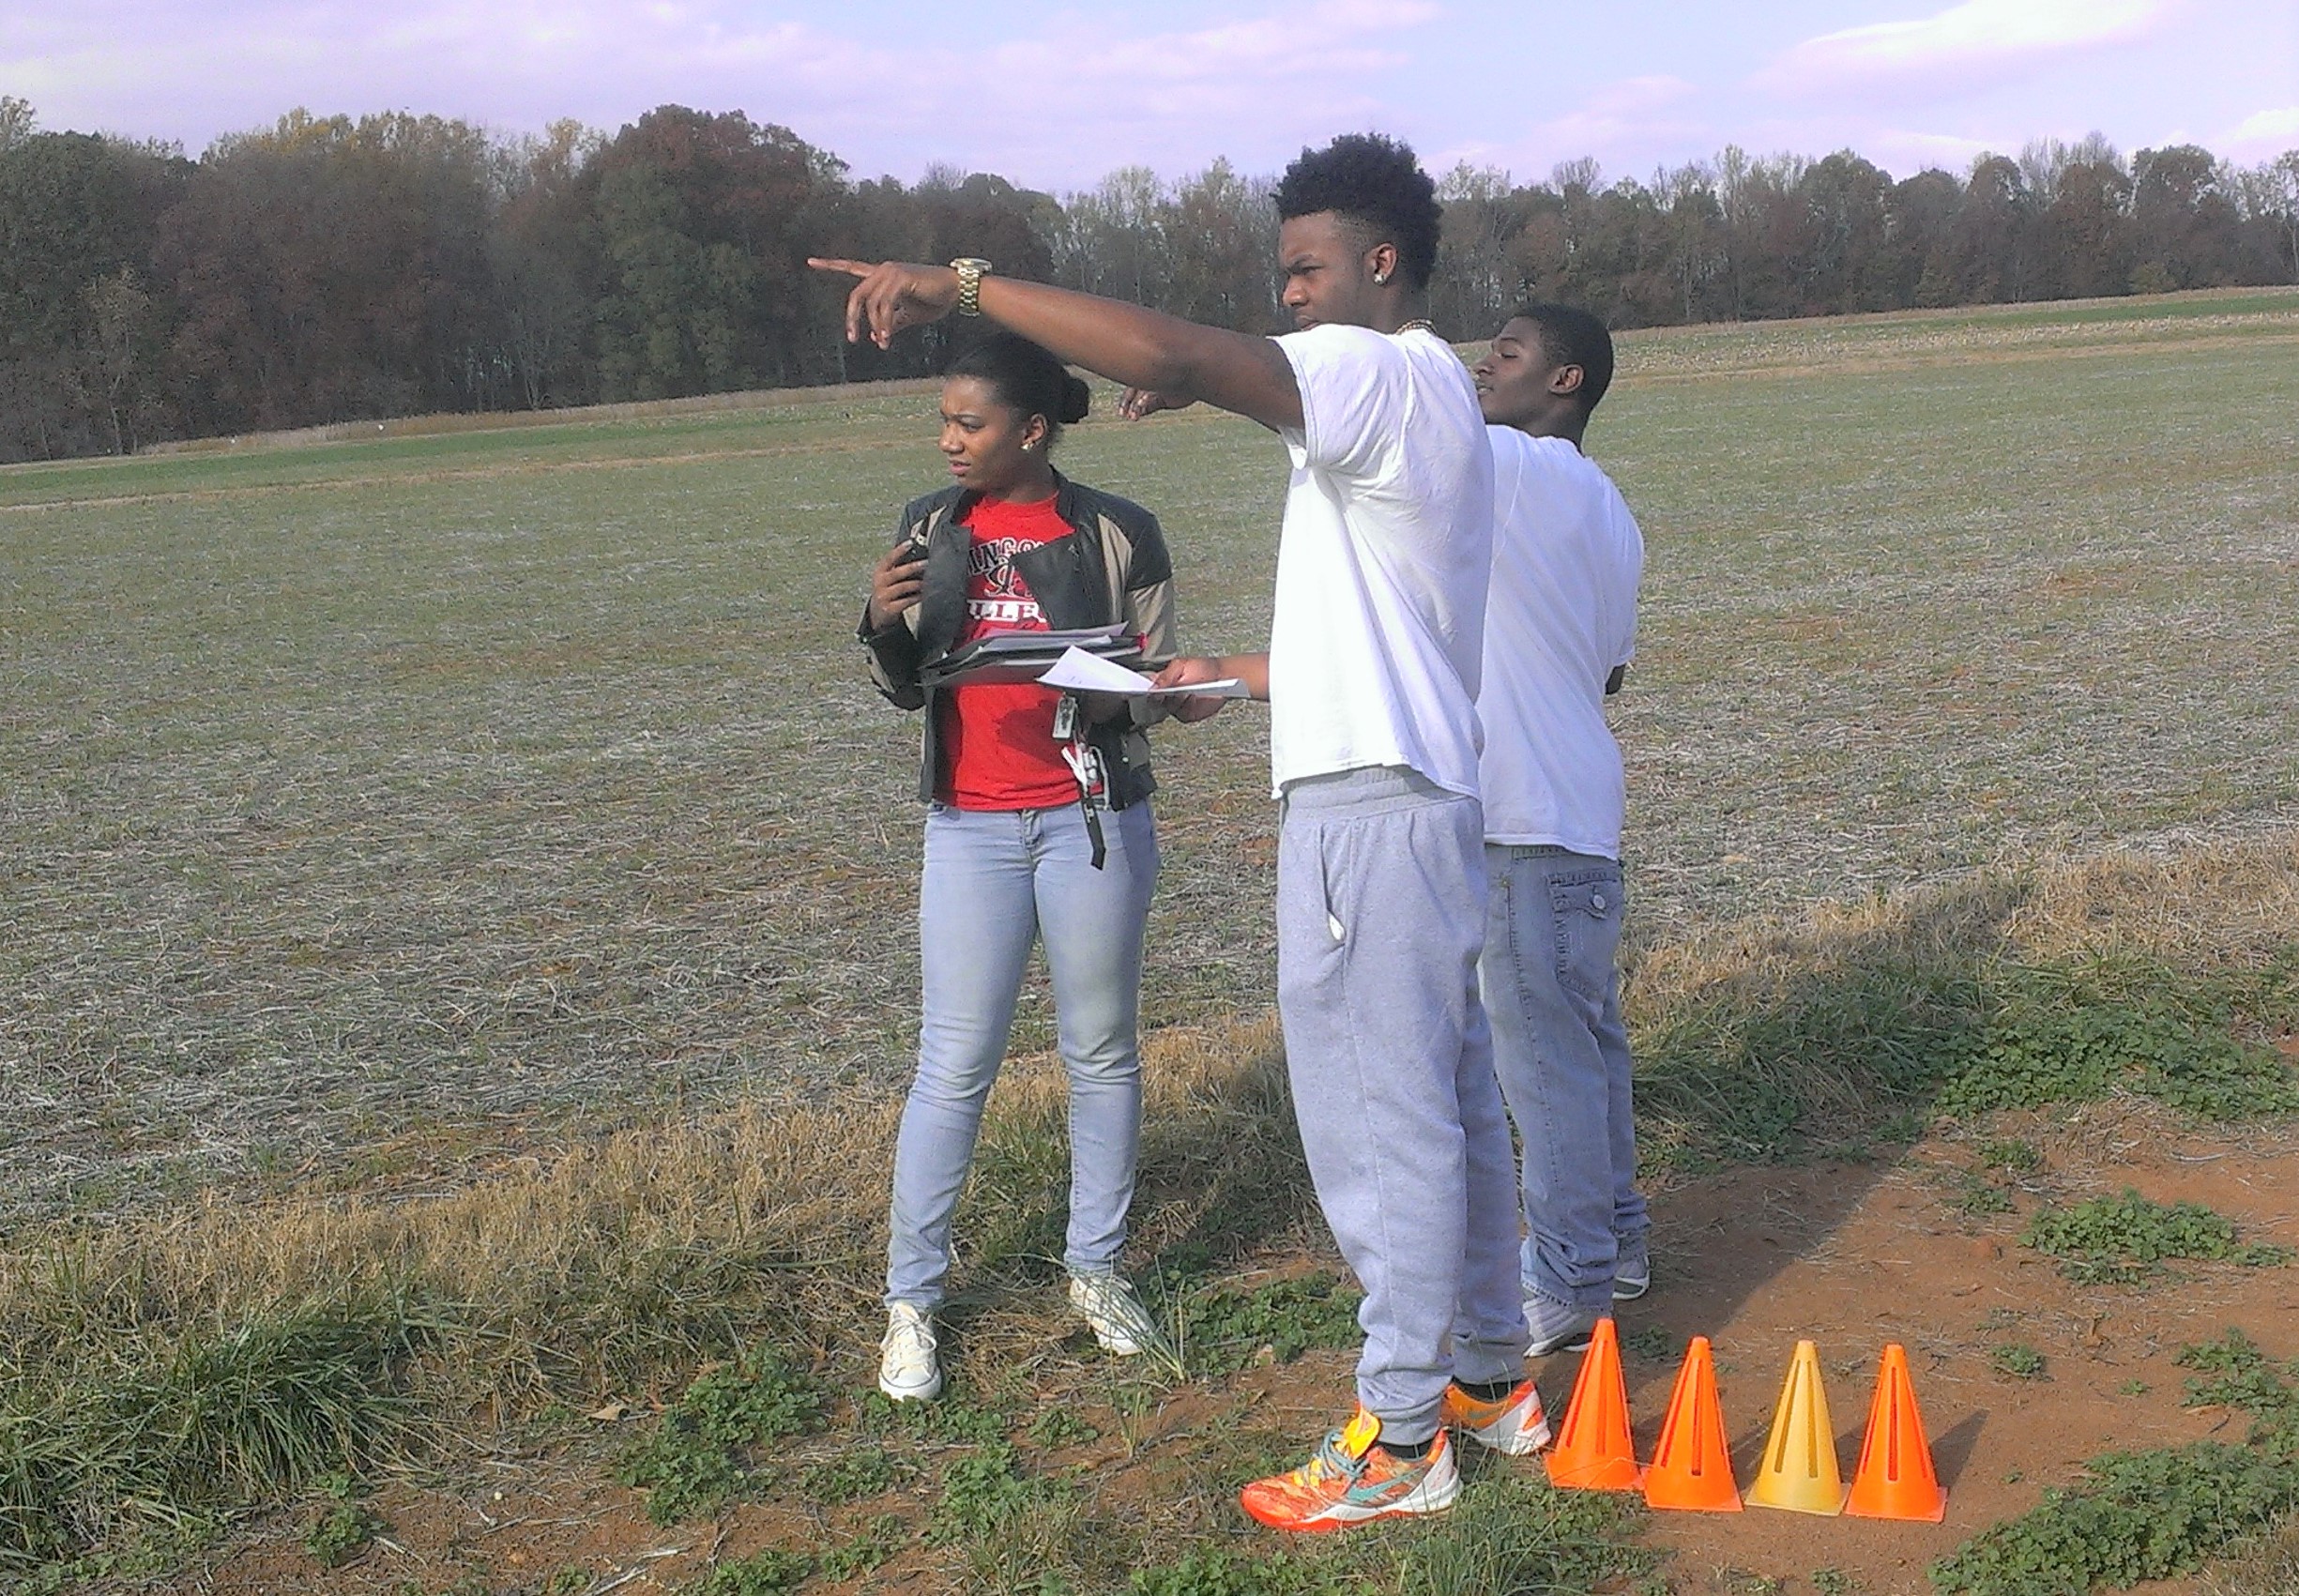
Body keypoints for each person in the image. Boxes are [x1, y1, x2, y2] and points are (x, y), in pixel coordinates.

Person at [816, 130, 1545, 1532]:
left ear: (1379, 265)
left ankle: (1400, 1438)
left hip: (1365, 816)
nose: (1289, 301)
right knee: (1447, 1095)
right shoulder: (1435, 389)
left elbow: (1193, 356)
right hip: (1420, 791)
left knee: (1374, 1115)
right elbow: (1394, 617)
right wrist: (1248, 676)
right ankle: (1485, 1380)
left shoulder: (1374, 366)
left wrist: (960, 281)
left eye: (1306, 270)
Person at [859, 331, 1180, 1403]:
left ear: (1031, 431)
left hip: (1092, 821)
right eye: (943, 423)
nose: (949, 440)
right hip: (969, 828)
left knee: (1100, 1051)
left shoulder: (1118, 531)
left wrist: (1127, 690)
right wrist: (876, 617)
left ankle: (1096, 1272)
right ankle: (913, 1303)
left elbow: (1154, 688)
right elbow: (905, 684)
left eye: (969, 424)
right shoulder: (926, 524)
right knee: (951, 1065)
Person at [1469, 305, 1651, 1356]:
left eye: (1506, 354)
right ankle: (1616, 1240)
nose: (1481, 366)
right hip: (1579, 806)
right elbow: (1611, 666)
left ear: (1564, 380)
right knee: (1583, 1044)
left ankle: (1570, 1280)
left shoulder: (1510, 466)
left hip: (1524, 812)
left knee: (1539, 1057)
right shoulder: (1608, 507)